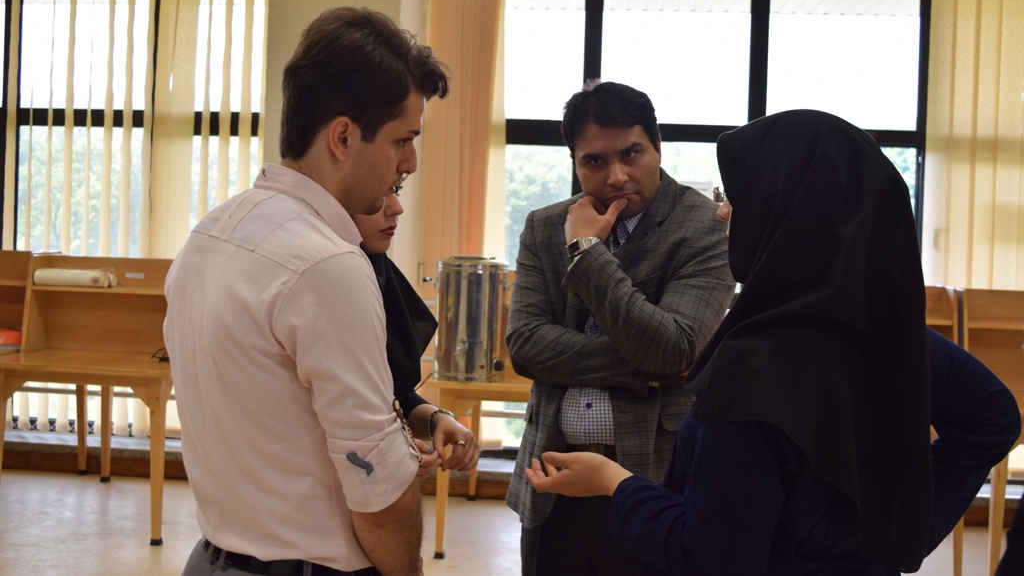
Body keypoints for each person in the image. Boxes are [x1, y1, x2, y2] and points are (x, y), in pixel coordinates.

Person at [525, 109, 1022, 575]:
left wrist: (614, 483)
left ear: (787, 211)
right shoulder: (889, 336)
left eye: (737, 196)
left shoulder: (750, 372)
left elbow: (712, 556)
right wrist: (892, 527)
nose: (723, 214)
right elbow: (992, 419)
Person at [165, 7, 449, 576]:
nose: (410, 163)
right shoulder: (326, 264)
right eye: (402, 140)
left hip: (215, 556)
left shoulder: (212, 232)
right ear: (343, 137)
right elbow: (379, 493)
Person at [505, 80, 734, 575]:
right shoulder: (544, 226)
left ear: (658, 146)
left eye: (631, 153)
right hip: (552, 478)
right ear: (574, 162)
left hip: (654, 480)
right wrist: (641, 367)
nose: (616, 176)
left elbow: (675, 348)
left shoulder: (706, 227)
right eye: (594, 161)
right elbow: (524, 345)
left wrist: (587, 252)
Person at [350, 181, 481, 475]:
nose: (396, 208)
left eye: (396, 191)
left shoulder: (377, 271)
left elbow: (395, 397)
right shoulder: (330, 286)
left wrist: (440, 419)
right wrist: (392, 454)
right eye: (379, 193)